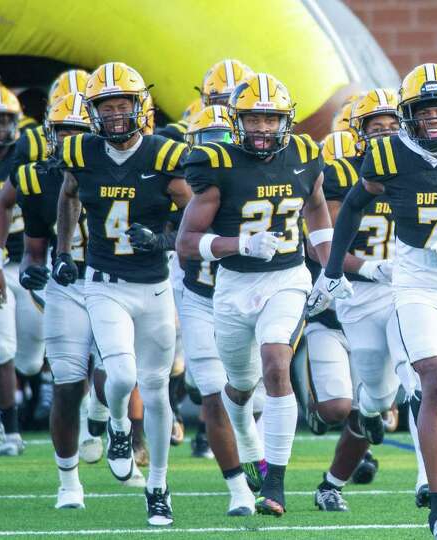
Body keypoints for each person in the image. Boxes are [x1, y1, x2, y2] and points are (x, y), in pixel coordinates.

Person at [308, 62, 437, 540]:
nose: (435, 119)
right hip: (414, 277)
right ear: (409, 116)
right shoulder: (387, 156)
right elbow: (352, 209)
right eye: (425, 111)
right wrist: (334, 268)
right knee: (434, 385)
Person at [176, 72, 333, 517]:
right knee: (241, 387)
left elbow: (317, 208)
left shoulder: (305, 153)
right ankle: (249, 443)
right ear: (236, 120)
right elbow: (186, 243)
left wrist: (331, 266)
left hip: (287, 277)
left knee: (276, 362)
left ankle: (276, 484)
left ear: (286, 120)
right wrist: (238, 245)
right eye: (253, 118)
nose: (262, 127)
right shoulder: (217, 162)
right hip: (233, 284)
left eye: (270, 118)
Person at [56, 61, 192, 526]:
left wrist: (167, 239)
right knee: (121, 374)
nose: (115, 115)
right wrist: (63, 249)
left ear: (139, 106)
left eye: (122, 105)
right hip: (104, 282)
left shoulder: (164, 155)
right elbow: (69, 194)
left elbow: (195, 215)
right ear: (93, 111)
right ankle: (116, 425)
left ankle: (157, 487)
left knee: (155, 392)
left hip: (153, 286)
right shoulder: (83, 152)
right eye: (105, 107)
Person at [172, 104, 267, 515]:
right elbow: (173, 240)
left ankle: (258, 461)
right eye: (205, 142)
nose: (214, 152)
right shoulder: (183, 187)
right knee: (212, 393)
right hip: (199, 298)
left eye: (222, 141)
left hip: (246, 297)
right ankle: (237, 488)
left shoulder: (254, 180)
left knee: (253, 395)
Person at [313, 89, 403, 512]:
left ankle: (431, 490)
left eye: (392, 127)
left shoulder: (418, 169)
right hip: (343, 301)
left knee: (409, 392)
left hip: (402, 292)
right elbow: (329, 244)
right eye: (376, 128)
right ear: (359, 132)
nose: (385, 136)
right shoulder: (338, 173)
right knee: (338, 408)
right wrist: (369, 267)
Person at [9, 92, 92, 508]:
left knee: (124, 375)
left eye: (79, 130)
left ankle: (104, 423)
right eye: (64, 130)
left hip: (116, 282)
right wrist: (28, 271)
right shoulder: (36, 178)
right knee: (66, 385)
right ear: (50, 133)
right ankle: (68, 482)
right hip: (66, 287)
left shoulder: (118, 169)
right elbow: (33, 249)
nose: (70, 138)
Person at [0, 84, 46, 457]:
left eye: (5, 119)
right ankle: (10, 430)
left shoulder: (27, 155)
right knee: (3, 349)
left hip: (31, 262)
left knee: (31, 360)